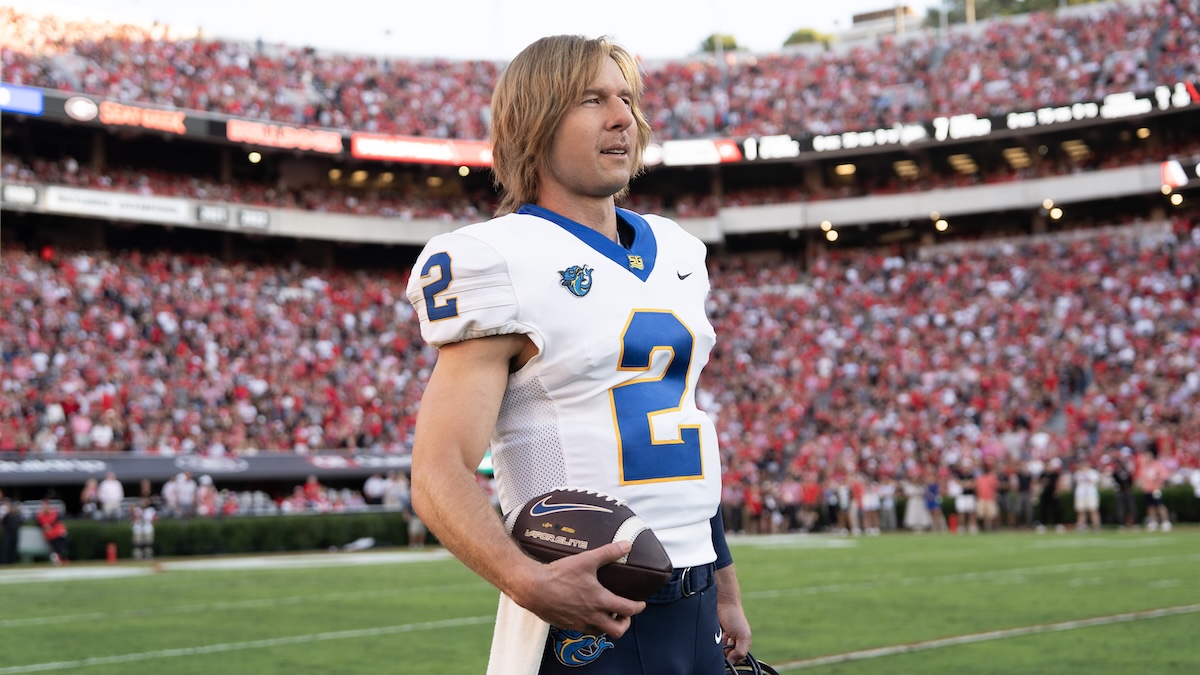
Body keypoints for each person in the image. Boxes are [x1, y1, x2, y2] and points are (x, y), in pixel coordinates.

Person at [404, 35, 752, 674]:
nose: (624, 117)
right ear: (534, 124)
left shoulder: (679, 252)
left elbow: (683, 438)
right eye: (592, 100)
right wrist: (525, 580)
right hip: (586, 611)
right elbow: (437, 469)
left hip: (698, 603)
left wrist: (724, 586)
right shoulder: (498, 259)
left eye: (626, 99)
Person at [36, 498, 69, 565]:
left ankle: (60, 558)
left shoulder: (54, 512)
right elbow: (44, 525)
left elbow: (55, 522)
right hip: (51, 535)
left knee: (64, 544)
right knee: (58, 547)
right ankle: (60, 558)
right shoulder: (40, 515)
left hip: (58, 533)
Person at [1, 497, 22, 564]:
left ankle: (12, 561)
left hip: (15, 533)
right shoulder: (7, 515)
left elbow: (20, 523)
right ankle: (4, 561)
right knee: (6, 547)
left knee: (14, 547)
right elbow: (3, 523)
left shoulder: (16, 516)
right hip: (8, 533)